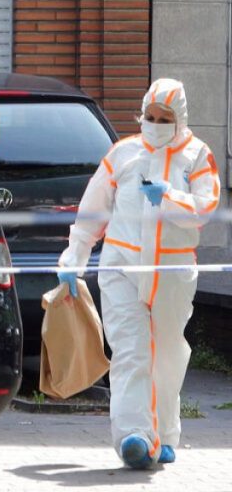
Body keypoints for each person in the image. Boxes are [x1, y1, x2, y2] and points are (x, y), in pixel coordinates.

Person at [57, 78, 220, 469]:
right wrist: (73, 259)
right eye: (149, 116)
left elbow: (205, 208)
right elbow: (93, 210)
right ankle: (133, 436)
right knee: (130, 351)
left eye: (164, 118)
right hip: (121, 269)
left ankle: (163, 432)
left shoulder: (198, 156)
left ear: (179, 120)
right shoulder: (123, 154)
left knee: (165, 355)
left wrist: (169, 196)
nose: (154, 123)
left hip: (172, 273)